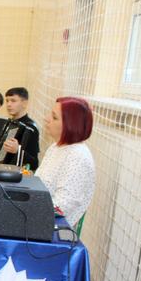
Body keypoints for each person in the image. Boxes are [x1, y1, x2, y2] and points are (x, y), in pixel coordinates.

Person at [35, 97, 95, 228]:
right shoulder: (56, 147)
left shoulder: (77, 156)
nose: (46, 119)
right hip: (38, 216)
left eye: (54, 117)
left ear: (71, 125)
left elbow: (62, 206)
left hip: (51, 227)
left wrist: (26, 209)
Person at [2, 87, 39, 170]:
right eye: (7, 101)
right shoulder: (7, 123)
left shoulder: (30, 128)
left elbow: (34, 163)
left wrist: (17, 151)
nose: (8, 104)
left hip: (14, 172)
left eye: (13, 101)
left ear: (24, 103)